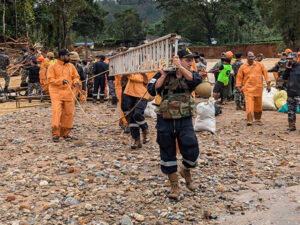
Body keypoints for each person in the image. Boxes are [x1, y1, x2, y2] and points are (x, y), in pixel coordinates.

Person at [147, 49, 202, 200]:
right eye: (187, 60)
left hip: (184, 119)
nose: (191, 62)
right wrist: (163, 75)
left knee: (192, 148)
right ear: (177, 59)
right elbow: (152, 89)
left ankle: (186, 169)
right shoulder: (164, 73)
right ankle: (174, 186)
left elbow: (195, 81)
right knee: (167, 150)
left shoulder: (190, 73)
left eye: (192, 60)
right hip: (165, 119)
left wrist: (181, 68)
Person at [47, 49, 81, 142]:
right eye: (68, 56)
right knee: (57, 113)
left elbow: (76, 77)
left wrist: (76, 82)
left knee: (69, 113)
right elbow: (50, 80)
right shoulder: (52, 66)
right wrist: (61, 81)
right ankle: (55, 134)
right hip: (56, 94)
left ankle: (65, 133)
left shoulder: (71, 66)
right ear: (62, 56)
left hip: (69, 94)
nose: (69, 58)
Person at [236, 51, 271, 126]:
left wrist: (268, 84)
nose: (251, 58)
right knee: (249, 104)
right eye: (249, 56)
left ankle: (258, 119)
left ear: (254, 57)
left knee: (258, 104)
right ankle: (249, 120)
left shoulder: (260, 65)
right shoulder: (243, 67)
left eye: (252, 56)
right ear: (247, 57)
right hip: (248, 88)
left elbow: (266, 74)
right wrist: (238, 87)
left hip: (258, 88)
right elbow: (239, 77)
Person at [122, 72, 152, 149]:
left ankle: (145, 129)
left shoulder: (150, 62)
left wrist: (131, 75)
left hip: (142, 93)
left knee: (137, 114)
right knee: (131, 118)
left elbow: (146, 80)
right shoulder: (132, 62)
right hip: (129, 92)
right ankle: (136, 139)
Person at [283, 52, 300, 131]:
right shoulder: (289, 67)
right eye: (289, 59)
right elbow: (284, 77)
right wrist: (287, 69)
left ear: (296, 57)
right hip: (290, 93)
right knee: (291, 111)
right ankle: (291, 126)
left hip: (299, 93)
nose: (291, 60)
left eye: (292, 58)